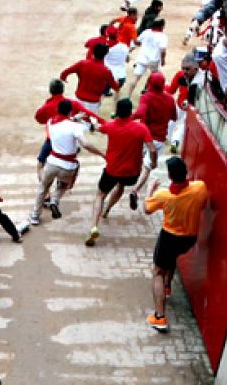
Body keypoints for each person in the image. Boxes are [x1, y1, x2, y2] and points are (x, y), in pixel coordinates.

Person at [144, 156, 209, 333]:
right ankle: (167, 287)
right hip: (189, 238)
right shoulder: (200, 187)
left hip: (169, 237)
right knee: (172, 259)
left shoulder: (164, 195)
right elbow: (202, 204)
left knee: (158, 270)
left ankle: (159, 317)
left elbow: (147, 209)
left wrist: (150, 189)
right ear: (186, 172)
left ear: (170, 176)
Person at [86, 97, 151, 246]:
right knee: (120, 186)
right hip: (131, 172)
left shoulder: (110, 126)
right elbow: (152, 148)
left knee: (100, 195)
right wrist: (152, 161)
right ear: (130, 112)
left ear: (117, 112)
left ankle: (94, 226)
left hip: (112, 169)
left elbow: (96, 128)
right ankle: (107, 209)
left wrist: (92, 122)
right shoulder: (141, 128)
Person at [33, 100, 101, 222]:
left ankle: (35, 216)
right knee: (63, 186)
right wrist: (101, 153)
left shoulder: (50, 123)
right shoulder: (75, 127)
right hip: (68, 167)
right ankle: (55, 200)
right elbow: (85, 144)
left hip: (52, 163)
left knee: (43, 187)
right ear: (70, 112)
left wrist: (74, 118)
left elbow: (63, 123)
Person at [60, 44, 118, 116]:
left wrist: (63, 78)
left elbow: (65, 73)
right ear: (105, 54)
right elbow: (115, 87)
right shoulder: (106, 71)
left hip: (78, 98)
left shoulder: (82, 64)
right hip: (92, 103)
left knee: (73, 119)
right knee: (90, 122)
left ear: (93, 52)